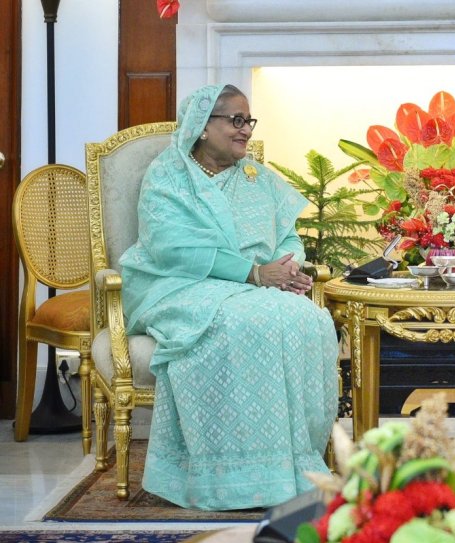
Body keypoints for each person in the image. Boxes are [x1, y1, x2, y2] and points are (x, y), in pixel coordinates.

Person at [120, 84, 338, 511]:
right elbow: (170, 247)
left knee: (307, 319)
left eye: (248, 122)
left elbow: (286, 233)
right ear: (203, 127)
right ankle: (231, 476)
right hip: (178, 285)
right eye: (236, 121)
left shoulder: (257, 177)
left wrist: (287, 268)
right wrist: (253, 273)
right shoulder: (169, 176)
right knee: (241, 322)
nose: (245, 132)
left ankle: (294, 468)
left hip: (253, 286)